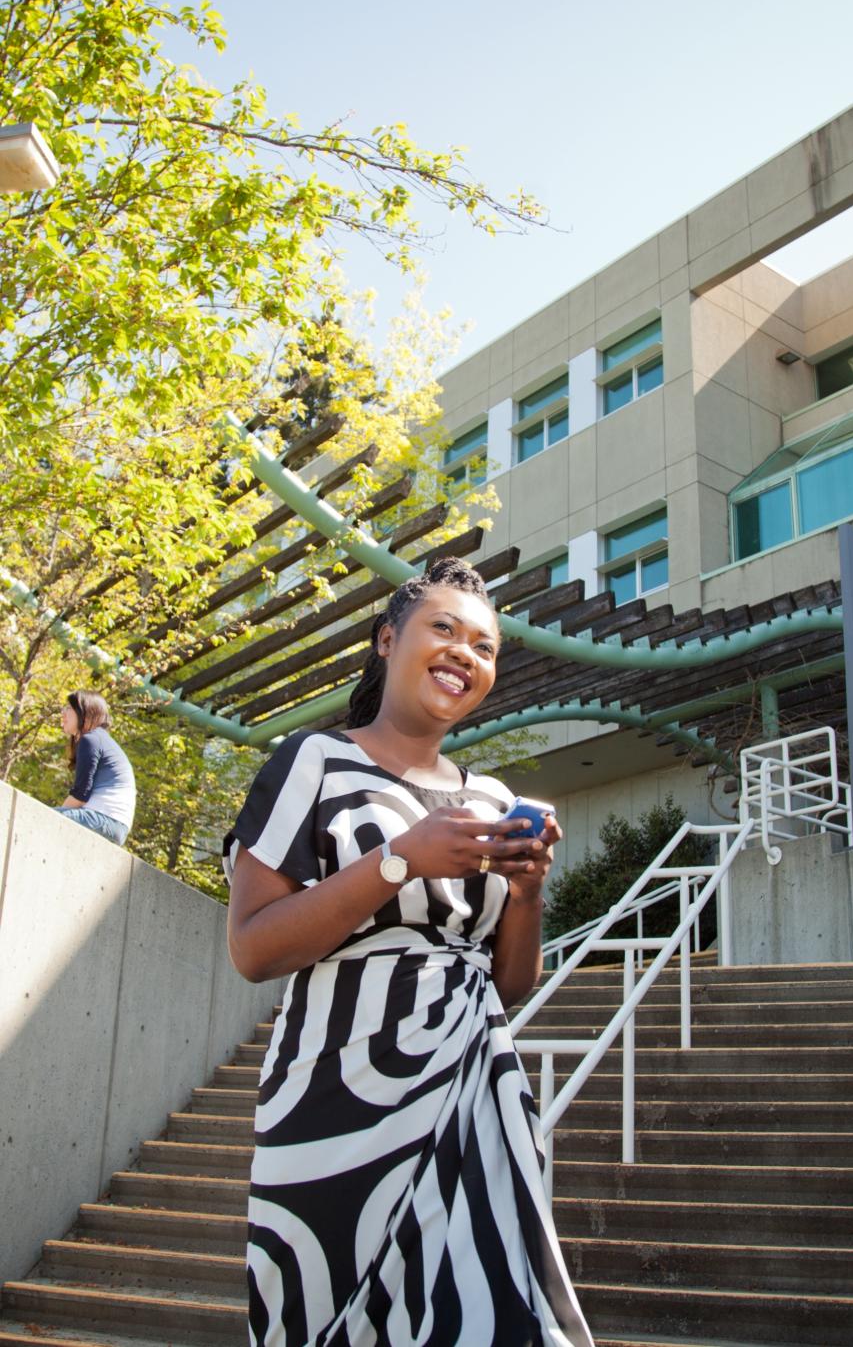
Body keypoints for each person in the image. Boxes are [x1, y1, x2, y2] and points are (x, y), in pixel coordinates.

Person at [225, 557, 595, 1347]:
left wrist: (527, 893)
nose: (467, 652)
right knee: (321, 1312)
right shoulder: (313, 761)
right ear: (388, 639)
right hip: (334, 1092)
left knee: (490, 1313)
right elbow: (254, 948)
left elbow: (510, 983)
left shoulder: (493, 800)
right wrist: (401, 859)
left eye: (486, 647)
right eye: (446, 629)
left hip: (472, 1084)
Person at [57, 690, 136, 846]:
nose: (63, 712)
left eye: (69, 708)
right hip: (111, 824)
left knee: (42, 816)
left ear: (86, 713)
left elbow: (80, 795)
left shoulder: (91, 739)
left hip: (105, 820)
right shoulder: (97, 739)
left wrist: (54, 814)